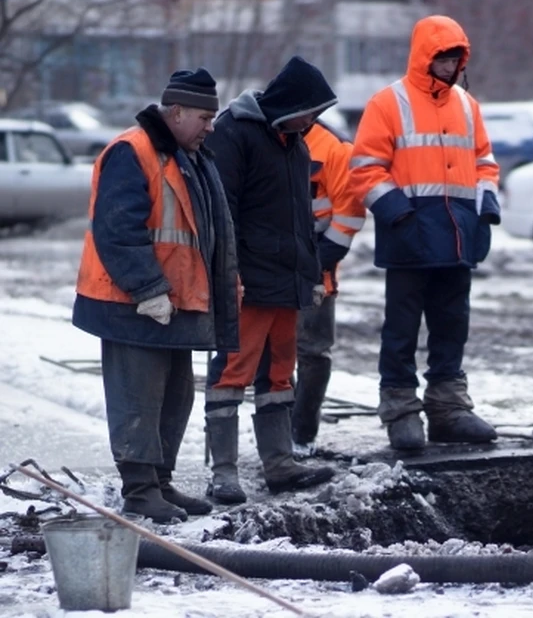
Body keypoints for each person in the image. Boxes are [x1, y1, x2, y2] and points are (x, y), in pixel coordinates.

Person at [72, 68, 240, 523]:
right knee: (138, 397)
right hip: (134, 304)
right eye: (205, 118)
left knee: (174, 396)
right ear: (177, 111)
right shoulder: (133, 152)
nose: (211, 127)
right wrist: (148, 288)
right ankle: (140, 489)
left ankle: (159, 482)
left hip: (173, 304)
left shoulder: (188, 156)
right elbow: (117, 230)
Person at [346, 15, 501, 450]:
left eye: (456, 60)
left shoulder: (468, 107)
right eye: (444, 59)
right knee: (401, 330)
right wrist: (399, 214)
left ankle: (448, 409)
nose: (451, 68)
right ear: (425, 57)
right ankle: (400, 410)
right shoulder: (387, 103)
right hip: (410, 237)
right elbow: (364, 169)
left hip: (456, 235)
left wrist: (484, 209)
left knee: (452, 325)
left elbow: (485, 163)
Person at [203, 56, 340, 504]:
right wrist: (230, 274)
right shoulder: (234, 134)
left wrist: (312, 274)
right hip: (248, 284)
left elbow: (302, 219)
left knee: (280, 374)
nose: (313, 121)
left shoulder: (296, 145)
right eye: (310, 112)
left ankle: (279, 463)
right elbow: (221, 213)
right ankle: (223, 471)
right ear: (289, 103)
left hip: (287, 284)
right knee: (230, 374)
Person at [253, 117, 365, 456]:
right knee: (273, 352)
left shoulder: (335, 148)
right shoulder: (264, 138)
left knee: (313, 351)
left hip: (317, 263)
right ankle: (280, 432)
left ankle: (302, 432)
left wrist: (315, 266)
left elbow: (348, 218)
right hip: (271, 261)